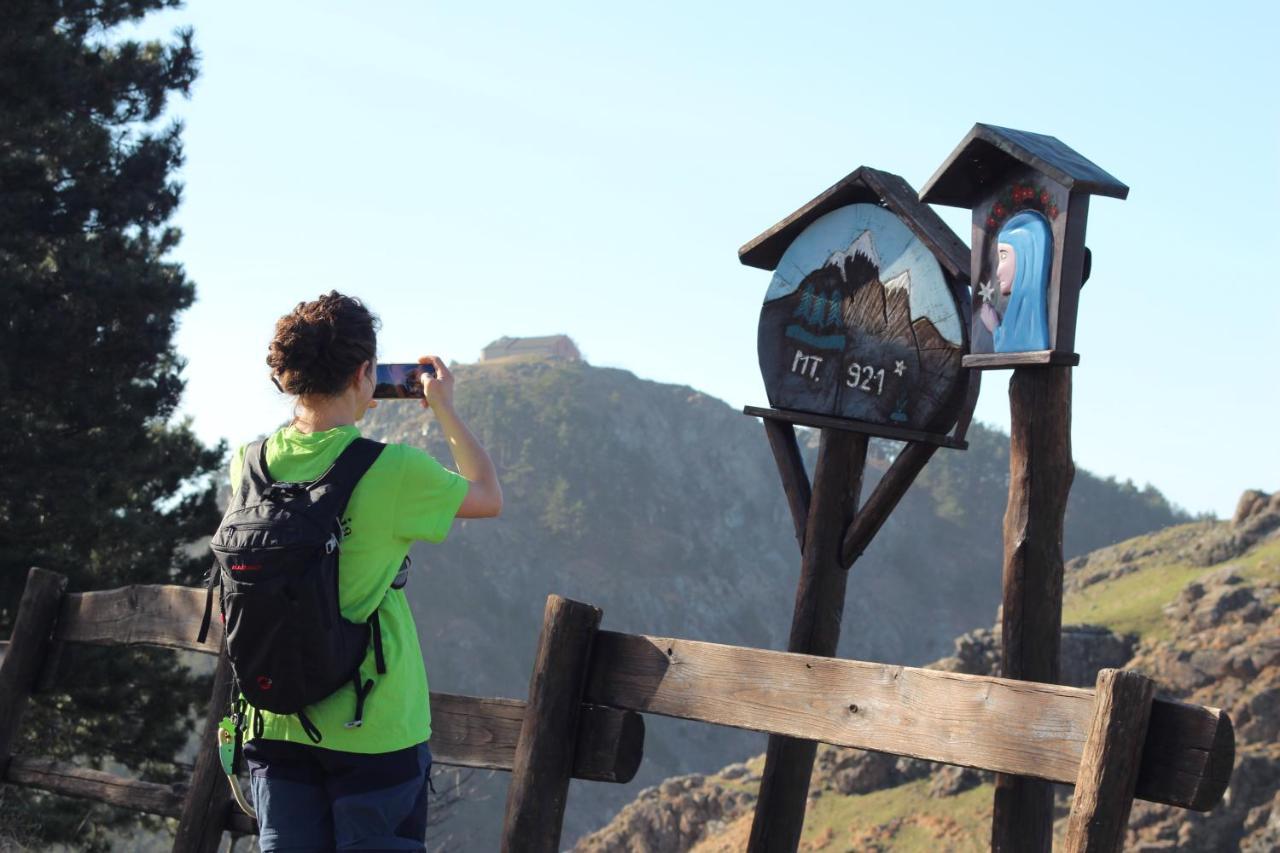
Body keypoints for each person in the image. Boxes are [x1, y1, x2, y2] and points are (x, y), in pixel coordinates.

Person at [234, 291, 502, 851]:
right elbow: (487, 496)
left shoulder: (249, 462)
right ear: (365, 373)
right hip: (371, 728)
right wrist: (445, 407)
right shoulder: (392, 468)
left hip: (272, 719)